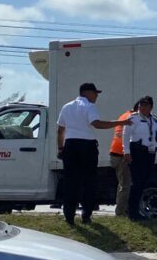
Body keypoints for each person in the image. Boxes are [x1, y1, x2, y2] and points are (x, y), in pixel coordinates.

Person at [56, 83, 133, 226]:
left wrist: (60, 148)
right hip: (87, 146)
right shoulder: (89, 107)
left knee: (71, 182)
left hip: (70, 145)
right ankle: (86, 215)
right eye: (95, 93)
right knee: (88, 181)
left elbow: (60, 130)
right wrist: (121, 123)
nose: (97, 96)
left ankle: (69, 216)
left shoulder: (66, 107)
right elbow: (97, 124)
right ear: (86, 93)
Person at [124, 96, 157, 221]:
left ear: (151, 107)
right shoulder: (133, 118)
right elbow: (125, 136)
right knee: (137, 183)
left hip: (150, 152)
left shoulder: (155, 119)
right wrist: (126, 152)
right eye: (141, 105)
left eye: (146, 105)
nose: (143, 107)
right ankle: (132, 213)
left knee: (145, 181)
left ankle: (138, 211)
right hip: (137, 152)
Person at [109, 102, 136, 217]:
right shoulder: (132, 118)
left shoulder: (124, 115)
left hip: (115, 153)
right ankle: (121, 213)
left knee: (122, 184)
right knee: (125, 185)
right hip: (121, 155)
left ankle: (122, 210)